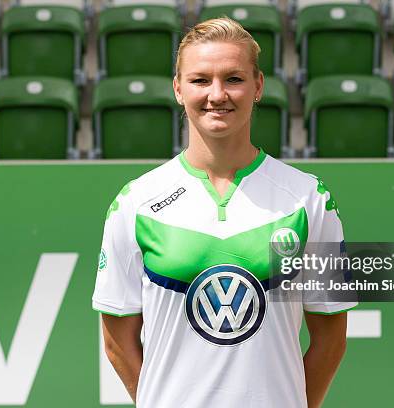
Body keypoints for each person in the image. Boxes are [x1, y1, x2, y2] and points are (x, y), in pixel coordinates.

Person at [92, 17, 357, 408]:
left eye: (233, 79)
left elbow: (331, 338)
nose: (217, 94)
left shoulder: (309, 198)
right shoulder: (135, 202)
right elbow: (117, 339)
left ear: (258, 87)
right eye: (201, 80)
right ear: (178, 89)